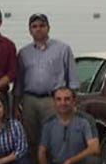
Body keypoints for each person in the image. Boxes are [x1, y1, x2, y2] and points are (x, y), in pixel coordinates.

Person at [16, 14, 79, 156]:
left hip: (53, 100)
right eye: (34, 26)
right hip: (29, 101)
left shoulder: (63, 49)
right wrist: (16, 104)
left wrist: (73, 103)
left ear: (48, 28)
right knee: (31, 138)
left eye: (42, 26)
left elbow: (72, 79)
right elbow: (19, 81)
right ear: (30, 30)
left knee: (54, 136)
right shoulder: (23, 53)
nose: (38, 29)